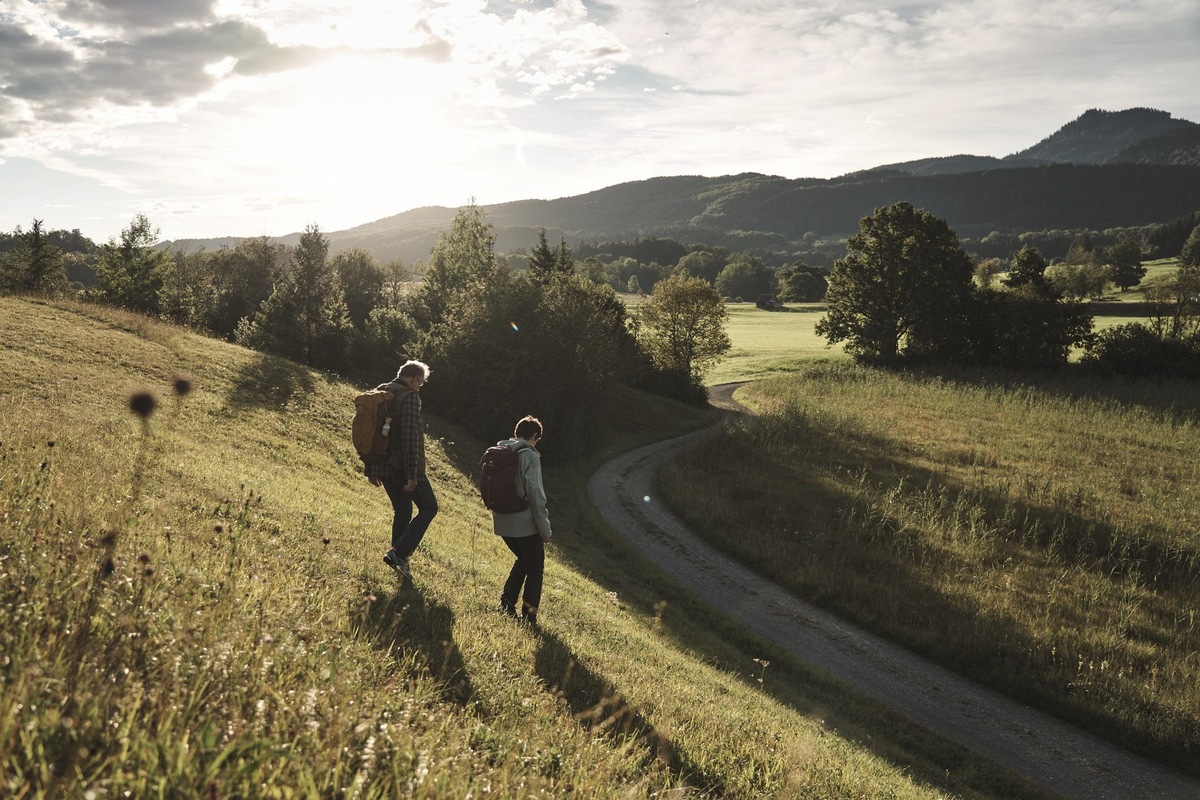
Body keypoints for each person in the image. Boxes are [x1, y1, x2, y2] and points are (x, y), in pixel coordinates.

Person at [365, 359, 438, 582]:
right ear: (415, 378)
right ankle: (399, 553)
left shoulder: (382, 392)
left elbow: (370, 433)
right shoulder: (409, 397)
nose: (420, 386)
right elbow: (409, 438)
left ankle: (398, 561)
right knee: (429, 507)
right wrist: (412, 475)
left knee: (403, 511)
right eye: (421, 382)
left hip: (383, 465)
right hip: (401, 466)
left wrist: (371, 467)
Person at [492, 415, 553, 627]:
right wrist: (545, 530)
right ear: (535, 436)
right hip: (524, 524)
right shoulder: (530, 457)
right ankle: (529, 617)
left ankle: (507, 601)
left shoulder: (501, 450)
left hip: (502, 521)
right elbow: (536, 495)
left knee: (524, 559)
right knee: (535, 569)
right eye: (537, 439)